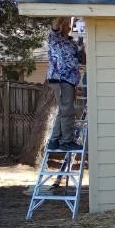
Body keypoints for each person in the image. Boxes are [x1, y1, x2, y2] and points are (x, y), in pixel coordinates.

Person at [46, 17, 82, 151]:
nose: (68, 26)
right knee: (68, 110)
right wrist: (64, 14)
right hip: (60, 78)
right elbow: (55, 23)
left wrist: (82, 48)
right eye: (66, 24)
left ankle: (54, 141)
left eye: (69, 24)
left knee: (63, 110)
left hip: (70, 80)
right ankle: (67, 141)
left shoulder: (72, 43)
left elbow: (80, 59)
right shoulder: (54, 37)